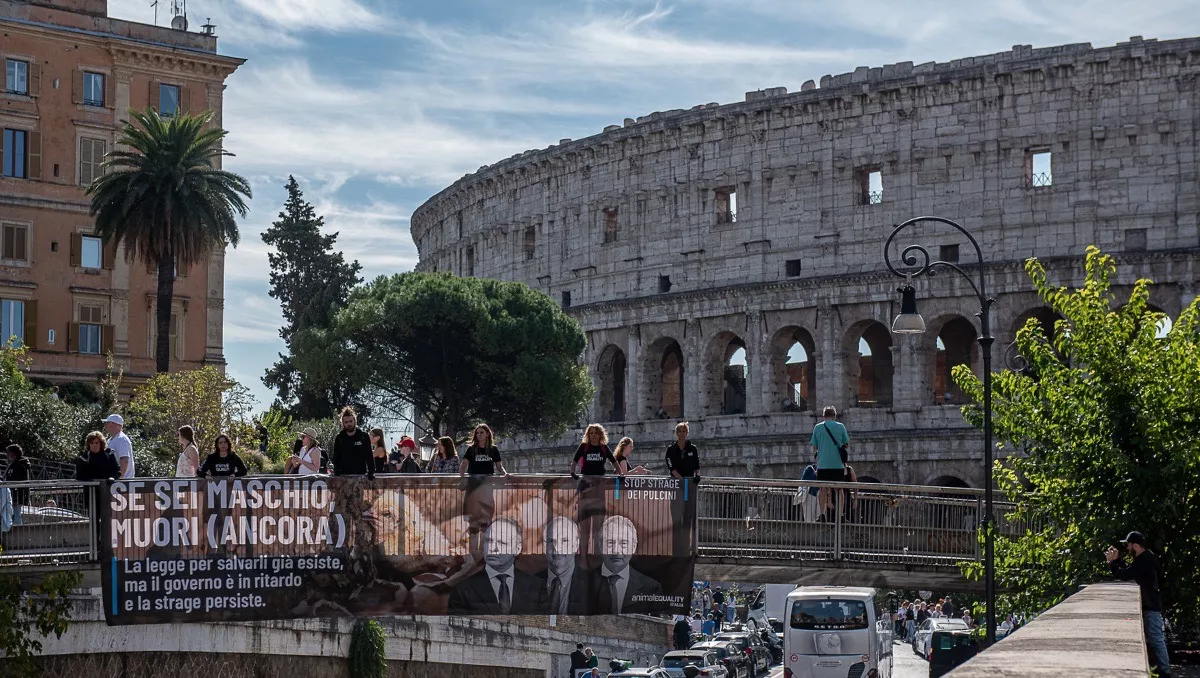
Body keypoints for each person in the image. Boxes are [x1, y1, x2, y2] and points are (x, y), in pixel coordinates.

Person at [446, 518, 547, 614]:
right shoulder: (462, 590)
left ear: (517, 549)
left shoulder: (538, 587)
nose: (492, 548)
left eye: (502, 543)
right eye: (488, 541)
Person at [1107, 531, 1171, 677]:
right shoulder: (1147, 557)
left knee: (1156, 639)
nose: (1128, 548)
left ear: (1135, 545)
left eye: (1129, 545)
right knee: (1155, 639)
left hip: (1151, 606)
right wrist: (1117, 561)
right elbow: (1131, 571)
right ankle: (1162, 670)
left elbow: (1124, 575)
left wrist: (1111, 563)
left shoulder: (1144, 561)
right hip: (1152, 603)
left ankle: (1165, 672)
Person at [595, 515, 663, 615]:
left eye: (623, 543)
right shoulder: (582, 583)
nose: (616, 550)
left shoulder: (652, 588)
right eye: (610, 543)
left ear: (634, 547)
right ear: (601, 546)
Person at [459, 423, 504, 556]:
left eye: (481, 432)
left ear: (487, 434)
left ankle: (484, 552)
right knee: (473, 520)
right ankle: (473, 552)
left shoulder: (493, 450)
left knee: (486, 518)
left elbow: (499, 466)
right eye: (477, 433)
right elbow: (463, 466)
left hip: (486, 488)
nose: (479, 435)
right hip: (473, 487)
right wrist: (463, 479)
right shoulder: (471, 449)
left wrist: (505, 474)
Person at [573, 424, 617, 557]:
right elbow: (574, 461)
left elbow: (614, 461)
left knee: (598, 528)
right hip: (585, 490)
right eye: (591, 433)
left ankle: (597, 557)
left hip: (599, 490)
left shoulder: (604, 448)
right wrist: (573, 473)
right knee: (584, 528)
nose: (593, 435)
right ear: (588, 435)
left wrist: (620, 474)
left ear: (600, 435)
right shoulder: (584, 447)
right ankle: (583, 556)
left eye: (596, 433)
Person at [540, 516, 593, 615]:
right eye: (551, 541)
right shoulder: (529, 583)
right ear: (544, 546)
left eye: (564, 541)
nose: (557, 548)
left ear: (576, 545)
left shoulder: (594, 585)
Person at [665, 421, 700, 556]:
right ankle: (676, 549)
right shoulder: (670, 449)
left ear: (687, 433)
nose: (681, 434)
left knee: (687, 517)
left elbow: (697, 464)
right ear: (676, 433)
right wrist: (681, 480)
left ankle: (686, 548)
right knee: (676, 517)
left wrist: (697, 476)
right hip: (676, 486)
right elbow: (671, 467)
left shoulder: (693, 448)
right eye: (679, 431)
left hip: (689, 486)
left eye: (684, 431)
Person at [809, 406, 848, 522]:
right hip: (838, 465)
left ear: (824, 416)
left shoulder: (818, 427)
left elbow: (815, 446)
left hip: (823, 465)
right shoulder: (841, 426)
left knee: (823, 489)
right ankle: (840, 516)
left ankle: (822, 515)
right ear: (834, 416)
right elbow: (846, 444)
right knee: (839, 490)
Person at [332, 407, 373, 479]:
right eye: (346, 422)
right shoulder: (339, 438)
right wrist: (336, 470)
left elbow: (369, 455)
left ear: (355, 421)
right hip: (344, 476)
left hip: (360, 475)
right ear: (343, 423)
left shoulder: (363, 436)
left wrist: (371, 471)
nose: (349, 424)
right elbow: (336, 457)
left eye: (351, 421)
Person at [4, 444, 30, 525]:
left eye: (11, 453)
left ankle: (20, 532)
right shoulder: (13, 465)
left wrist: (17, 499)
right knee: (13, 516)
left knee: (16, 516)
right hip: (11, 494)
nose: (9, 455)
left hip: (15, 496)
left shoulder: (20, 466)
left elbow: (21, 482)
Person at [104, 413, 135, 479]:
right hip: (114, 481)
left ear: (115, 425)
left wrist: (119, 478)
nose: (105, 425)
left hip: (123, 481)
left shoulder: (121, 439)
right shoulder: (110, 440)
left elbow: (124, 460)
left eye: (108, 423)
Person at [798, 457, 821, 522]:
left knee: (819, 518)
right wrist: (816, 474)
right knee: (809, 519)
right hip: (809, 495)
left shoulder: (824, 469)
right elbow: (803, 482)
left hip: (819, 496)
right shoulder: (810, 468)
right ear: (815, 459)